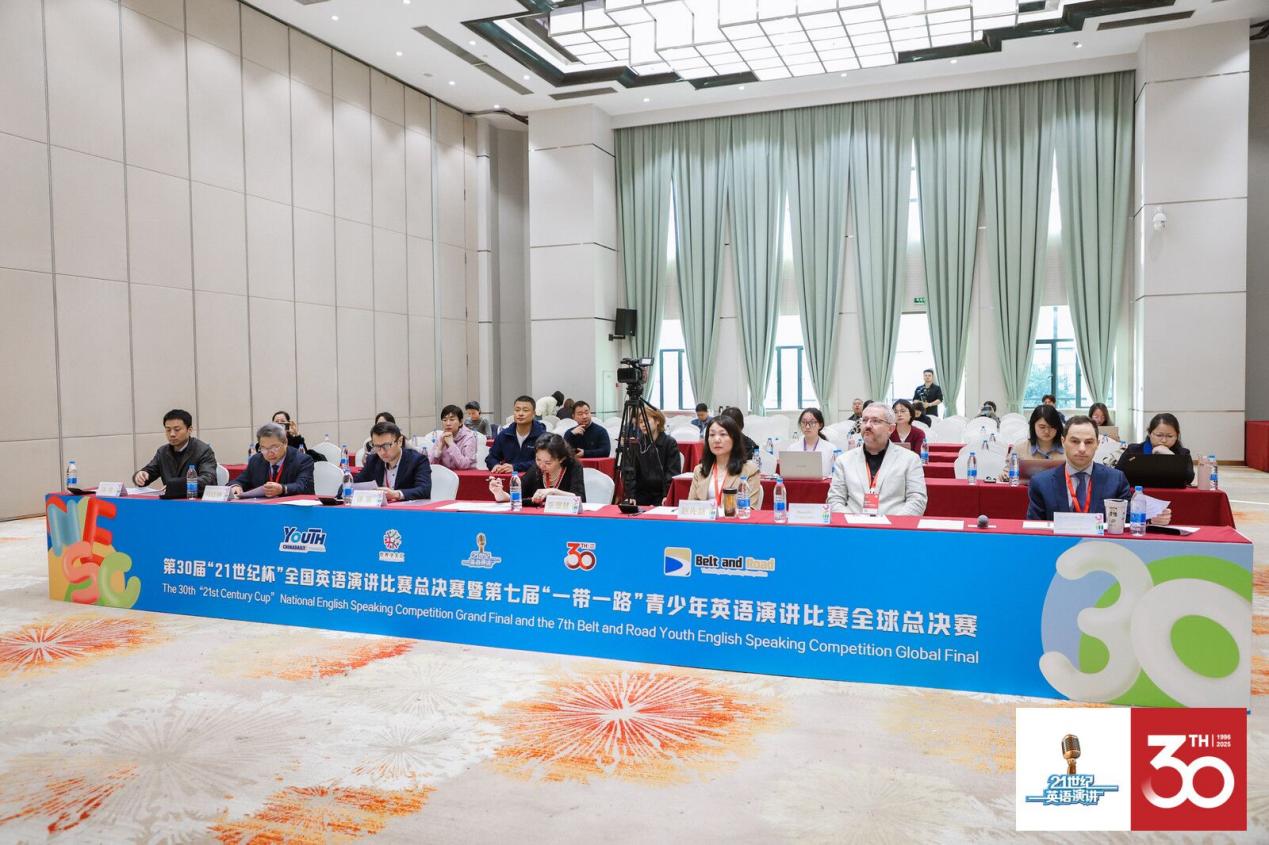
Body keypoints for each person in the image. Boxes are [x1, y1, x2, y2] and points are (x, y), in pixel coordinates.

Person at [1028, 415, 1172, 523]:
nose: (1082, 448)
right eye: (1075, 441)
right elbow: (1033, 529)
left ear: (1097, 443)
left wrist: (1152, 518)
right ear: (1063, 441)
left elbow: (1129, 519)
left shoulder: (1116, 479)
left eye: (1089, 442)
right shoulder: (1041, 483)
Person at [827, 403, 927, 516]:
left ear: (891, 428)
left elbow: (917, 500)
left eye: (875, 421)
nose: (868, 425)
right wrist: (854, 523)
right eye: (864, 420)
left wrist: (893, 523)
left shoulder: (910, 459)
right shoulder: (844, 460)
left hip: (894, 524)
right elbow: (835, 500)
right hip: (853, 524)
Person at [687, 415, 763, 508]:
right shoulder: (699, 470)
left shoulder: (750, 470)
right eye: (712, 435)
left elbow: (750, 509)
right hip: (704, 518)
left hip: (733, 517)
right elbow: (690, 507)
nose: (716, 439)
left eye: (723, 434)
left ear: (734, 439)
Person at [488, 433, 586, 505]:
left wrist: (553, 491)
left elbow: (580, 499)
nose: (542, 466)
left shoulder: (573, 467)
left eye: (548, 463)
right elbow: (514, 497)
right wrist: (499, 493)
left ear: (561, 459)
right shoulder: (536, 469)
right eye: (538, 459)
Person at [133, 409, 219, 490]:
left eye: (177, 429)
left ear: (189, 430)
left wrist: (176, 486)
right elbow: (150, 472)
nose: (172, 434)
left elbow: (208, 480)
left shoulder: (203, 451)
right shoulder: (163, 452)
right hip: (170, 499)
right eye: (168, 430)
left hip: (194, 499)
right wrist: (141, 475)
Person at [229, 422, 314, 498]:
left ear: (285, 442)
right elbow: (238, 481)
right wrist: (236, 486)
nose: (269, 453)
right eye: (264, 448)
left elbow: (304, 487)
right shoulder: (256, 460)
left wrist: (282, 489)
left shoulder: (303, 460)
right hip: (264, 509)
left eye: (274, 447)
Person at [356, 421, 432, 501]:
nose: (382, 452)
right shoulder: (373, 460)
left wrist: (396, 494)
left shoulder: (417, 460)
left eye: (386, 446)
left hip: (406, 508)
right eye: (377, 446)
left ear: (399, 441)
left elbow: (424, 490)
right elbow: (354, 484)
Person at [1116, 412, 1194, 487]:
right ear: (1149, 433)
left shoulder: (1183, 453)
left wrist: (1171, 456)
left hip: (1172, 494)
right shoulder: (1133, 451)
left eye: (1170, 436)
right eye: (1159, 435)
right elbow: (1117, 475)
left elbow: (1189, 479)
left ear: (1177, 436)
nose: (1164, 440)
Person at [626, 407, 682, 506]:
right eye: (640, 422)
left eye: (646, 420)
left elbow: (672, 472)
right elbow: (630, 473)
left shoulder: (670, 443)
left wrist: (667, 495)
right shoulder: (636, 444)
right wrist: (631, 495)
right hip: (640, 495)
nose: (643, 424)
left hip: (662, 495)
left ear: (657, 421)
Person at [487, 395, 547, 472]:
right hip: (509, 477)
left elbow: (544, 461)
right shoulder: (505, 434)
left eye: (525, 410)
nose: (520, 413)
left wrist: (515, 467)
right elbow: (491, 457)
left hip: (534, 477)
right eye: (517, 410)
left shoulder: (542, 436)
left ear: (534, 414)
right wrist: (495, 465)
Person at [788, 407, 836, 476]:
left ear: (820, 425)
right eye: (804, 422)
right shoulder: (792, 449)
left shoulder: (831, 449)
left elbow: (835, 475)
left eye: (812, 422)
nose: (807, 426)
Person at [429, 405, 477, 471]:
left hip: (466, 475)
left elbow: (464, 465)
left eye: (452, 420)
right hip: (446, 475)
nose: (448, 423)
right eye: (444, 420)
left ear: (460, 422)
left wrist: (451, 444)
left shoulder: (469, 437)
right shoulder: (441, 437)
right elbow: (430, 465)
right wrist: (439, 448)